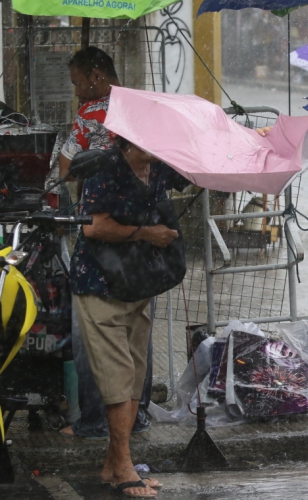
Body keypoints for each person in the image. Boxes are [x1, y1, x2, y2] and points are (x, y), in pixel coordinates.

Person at [70, 137, 190, 498]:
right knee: (117, 374)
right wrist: (146, 233)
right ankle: (123, 466)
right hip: (101, 282)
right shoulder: (104, 168)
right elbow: (93, 227)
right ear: (127, 139)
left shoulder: (157, 166)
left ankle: (114, 463)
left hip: (138, 279)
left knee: (136, 372)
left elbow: (192, 174)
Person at [57, 46, 156, 440]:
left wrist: (84, 183)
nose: (79, 91)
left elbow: (66, 167)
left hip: (102, 238)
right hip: (144, 241)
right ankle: (139, 415)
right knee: (136, 336)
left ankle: (96, 421)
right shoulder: (141, 108)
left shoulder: (91, 114)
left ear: (97, 75)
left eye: (80, 83)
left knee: (93, 338)